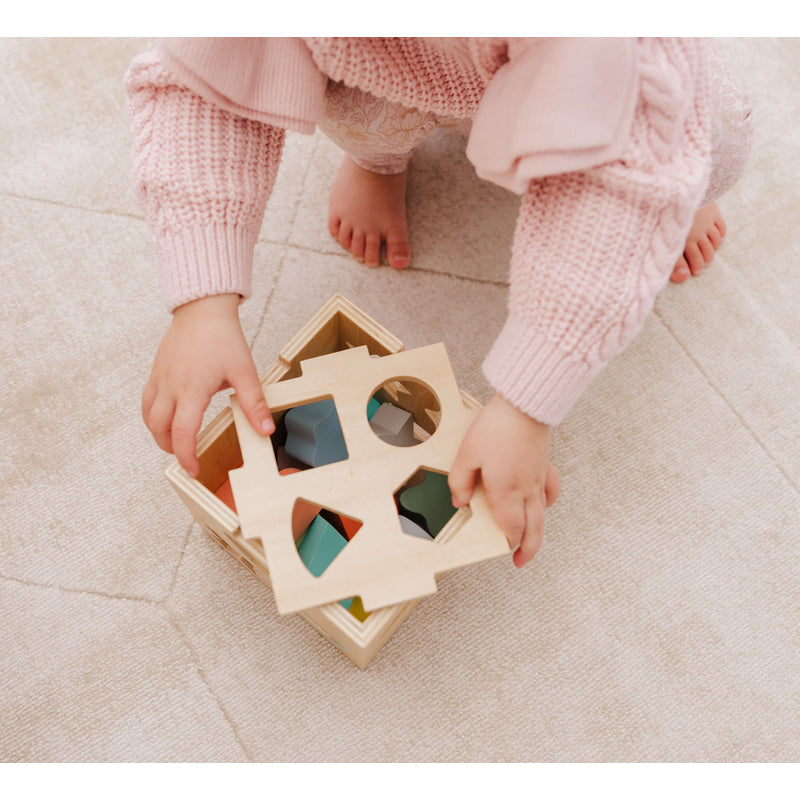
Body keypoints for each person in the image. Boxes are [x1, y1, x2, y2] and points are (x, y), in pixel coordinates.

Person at [126, 38, 753, 568]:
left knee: (707, 138)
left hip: (612, 90)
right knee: (353, 104)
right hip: (383, 63)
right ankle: (377, 156)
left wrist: (528, 402)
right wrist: (203, 297)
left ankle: (684, 194)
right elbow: (203, 76)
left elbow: (619, 184)